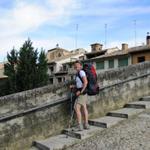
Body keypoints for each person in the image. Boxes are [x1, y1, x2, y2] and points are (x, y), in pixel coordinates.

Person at [70, 60, 90, 131]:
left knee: (76, 107)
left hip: (82, 93)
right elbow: (80, 84)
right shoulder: (78, 73)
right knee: (84, 107)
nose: (76, 66)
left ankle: (80, 126)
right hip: (83, 92)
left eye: (77, 65)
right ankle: (86, 124)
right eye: (75, 65)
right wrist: (74, 86)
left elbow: (85, 82)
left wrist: (80, 92)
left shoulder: (81, 72)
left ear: (80, 66)